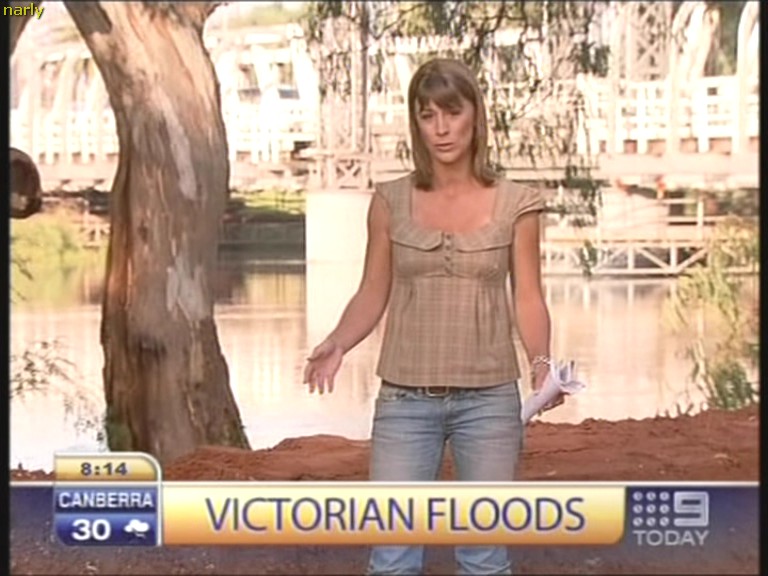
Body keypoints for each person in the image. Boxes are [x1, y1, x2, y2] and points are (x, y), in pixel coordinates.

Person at [303, 57, 562, 576]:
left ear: (475, 115)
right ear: (416, 123)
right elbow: (372, 291)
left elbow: (529, 297)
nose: (441, 128)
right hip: (405, 402)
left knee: (484, 559)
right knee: (393, 558)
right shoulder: (390, 201)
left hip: (489, 402)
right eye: (427, 115)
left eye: (452, 111)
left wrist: (541, 364)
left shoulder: (518, 204)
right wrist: (338, 341)